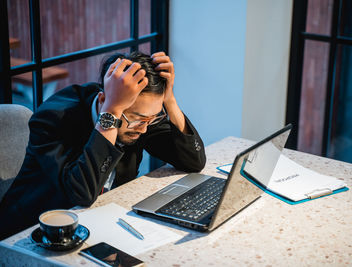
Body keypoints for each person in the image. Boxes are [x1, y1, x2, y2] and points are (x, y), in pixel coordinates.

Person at [0, 51, 206, 240]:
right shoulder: (53, 119)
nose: (144, 129)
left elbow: (193, 161)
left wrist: (169, 100)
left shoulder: (142, 117)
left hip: (99, 224)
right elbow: (82, 194)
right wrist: (112, 113)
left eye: (151, 119)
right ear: (103, 100)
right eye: (137, 119)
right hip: (31, 234)